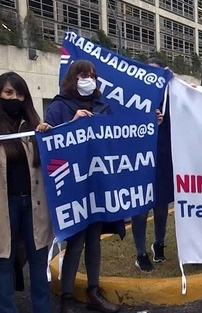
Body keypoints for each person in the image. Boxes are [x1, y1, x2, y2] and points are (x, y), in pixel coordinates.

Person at [45, 60, 122, 313]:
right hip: (73, 186)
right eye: (83, 74)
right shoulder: (58, 107)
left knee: (94, 240)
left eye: (92, 75)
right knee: (75, 242)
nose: (88, 78)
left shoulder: (104, 106)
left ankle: (93, 292)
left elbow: (118, 139)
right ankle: (66, 297)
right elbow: (50, 143)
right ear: (73, 78)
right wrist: (73, 123)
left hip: (97, 184)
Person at [0, 71, 53, 313]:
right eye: (8, 93)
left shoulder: (35, 126)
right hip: (4, 208)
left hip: (34, 206)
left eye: (19, 94)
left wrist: (49, 136)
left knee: (39, 263)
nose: (14, 98)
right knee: (4, 263)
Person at [131, 57, 174, 272]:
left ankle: (159, 243)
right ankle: (140, 253)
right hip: (139, 160)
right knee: (139, 208)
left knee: (161, 205)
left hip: (164, 157)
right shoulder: (133, 97)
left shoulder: (170, 97)